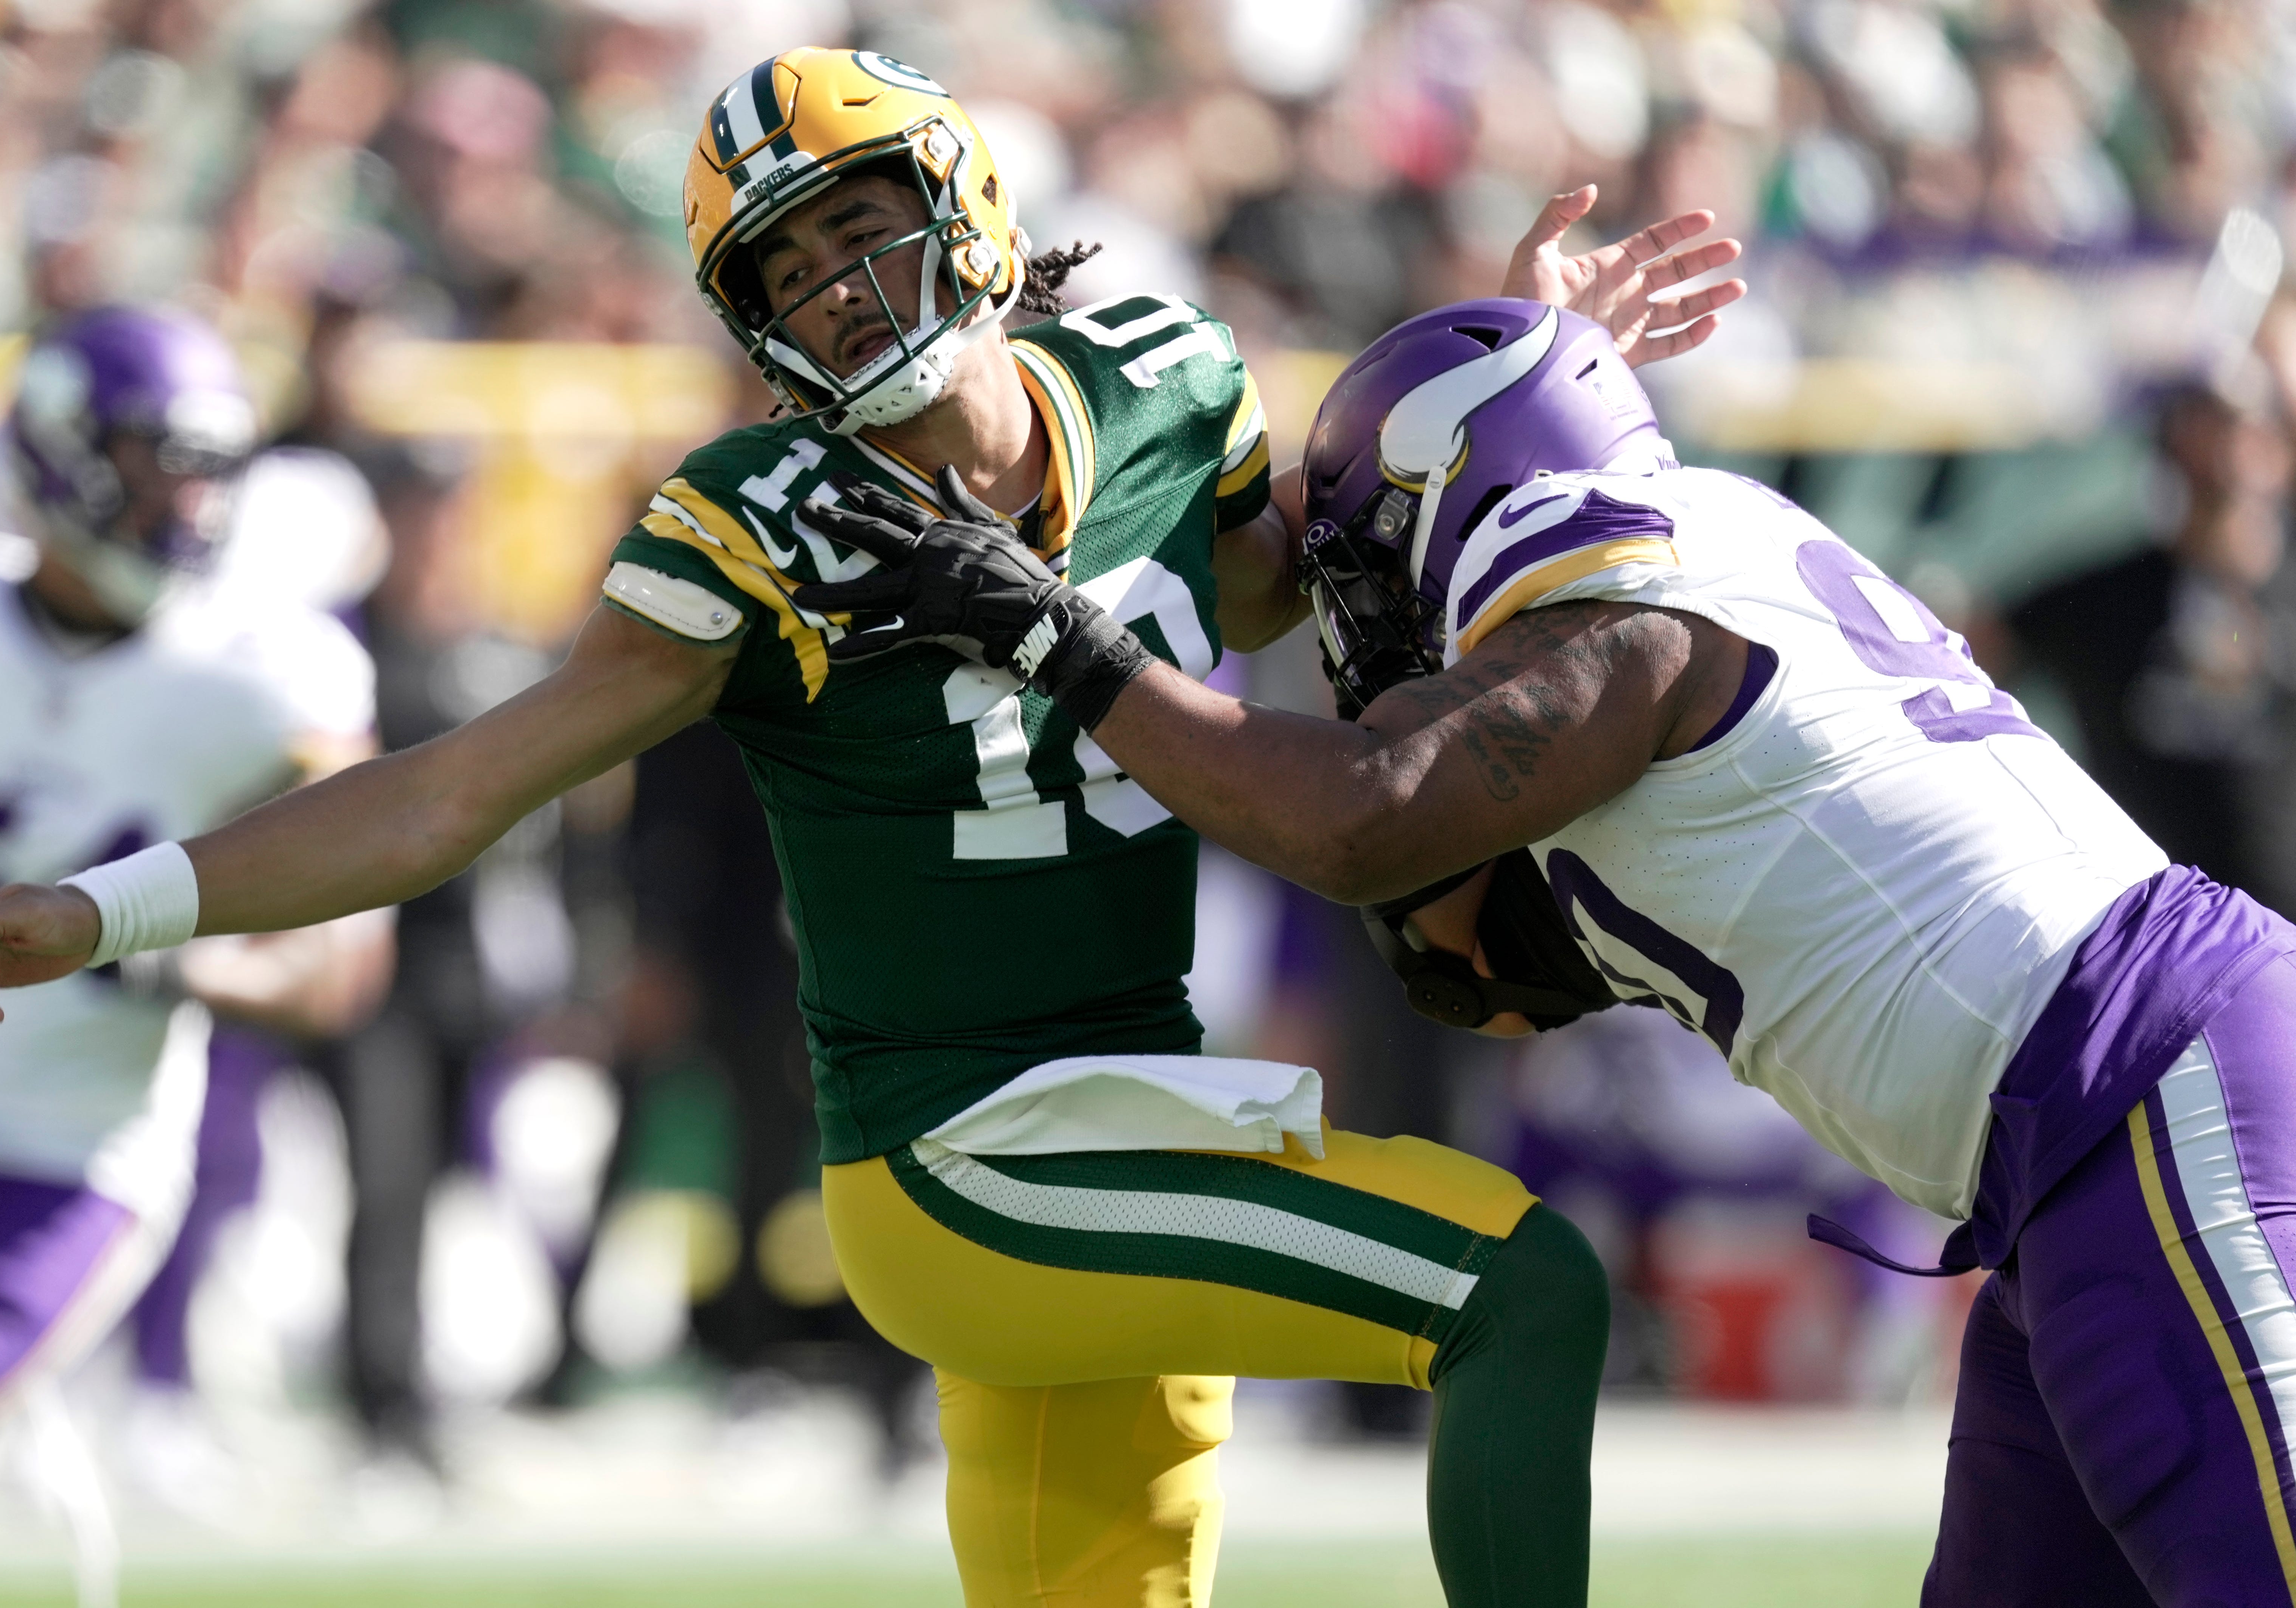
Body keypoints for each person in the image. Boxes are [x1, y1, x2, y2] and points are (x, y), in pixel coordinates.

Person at [0, 50, 1741, 1607]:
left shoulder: (1163, 379)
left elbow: (1278, 588)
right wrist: (105, 910)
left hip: (1135, 1106)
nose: (841, 287)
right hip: (968, 1157)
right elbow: (454, 788)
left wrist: (1514, 373)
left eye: (861, 225)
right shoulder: (758, 521)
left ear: (966, 203)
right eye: (787, 267)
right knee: (1519, 1290)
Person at [776, 295, 2296, 1606]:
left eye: (1381, 560)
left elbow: (1362, 820)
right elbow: (1467, 968)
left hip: (2145, 1089)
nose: (1372, 616)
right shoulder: (1698, 548)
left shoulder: (1632, 627)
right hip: (2079, 1144)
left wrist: (1065, 643)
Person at [0, 306, 393, 1551]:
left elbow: (338, 973)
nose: (186, 502)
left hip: (72, 1167)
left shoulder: (272, 672)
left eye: (206, 468)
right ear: (58, 452)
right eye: (153, 463)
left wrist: (143, 944)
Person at [2005, 375, 2296, 913]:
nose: (2234, 453)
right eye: (2214, 426)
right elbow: (1973, 645)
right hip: (2150, 926)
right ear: (2175, 443)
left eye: (2253, 429)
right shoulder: (2101, 600)